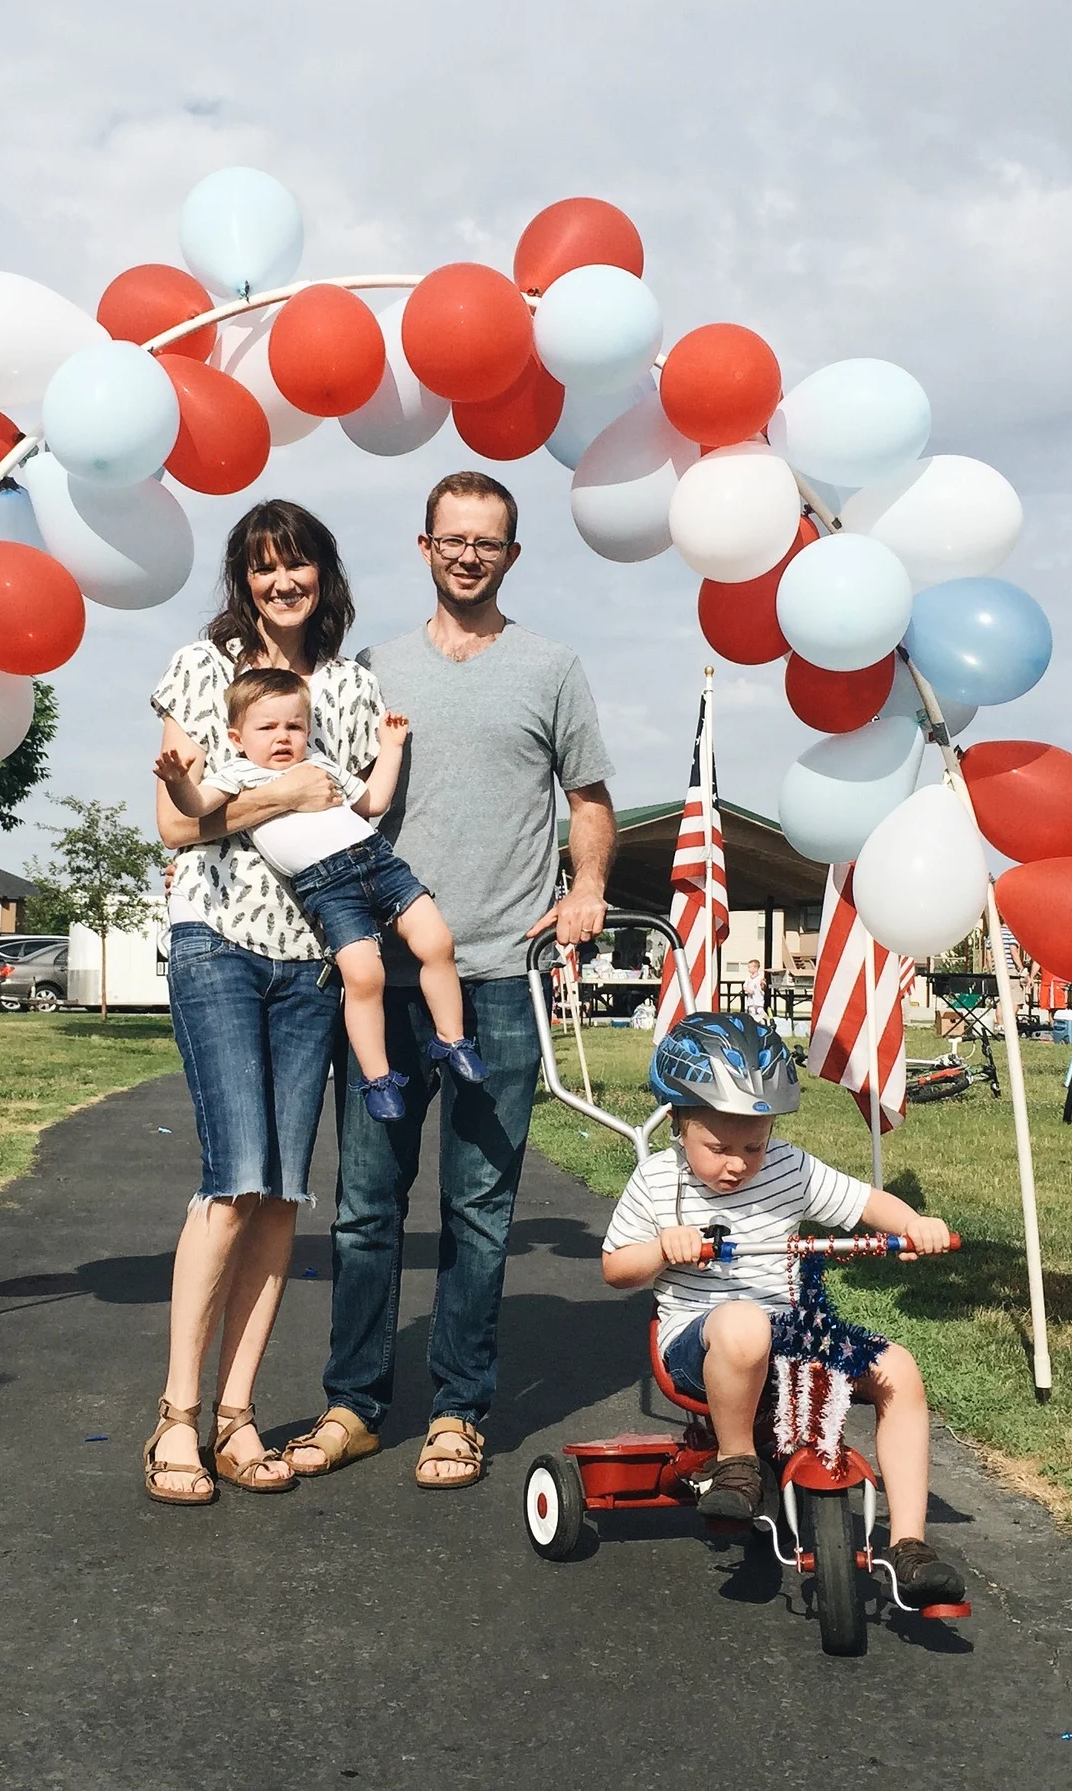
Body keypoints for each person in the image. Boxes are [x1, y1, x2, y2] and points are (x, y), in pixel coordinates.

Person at [287, 470, 615, 1491]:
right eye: (453, 539)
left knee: (479, 1208)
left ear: (510, 555)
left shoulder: (551, 669)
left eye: (488, 541)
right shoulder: (369, 670)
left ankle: (458, 1411)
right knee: (364, 1207)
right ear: (424, 547)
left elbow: (589, 798)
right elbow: (314, 790)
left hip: (500, 976)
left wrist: (587, 887)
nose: (469, 555)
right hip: (381, 979)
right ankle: (354, 1404)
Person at [144, 501, 384, 1507]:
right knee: (233, 1175)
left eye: (298, 565)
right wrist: (284, 795)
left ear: (325, 574)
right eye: (262, 567)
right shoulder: (200, 669)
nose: (282, 583)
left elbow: (362, 815)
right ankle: (176, 1418)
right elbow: (175, 826)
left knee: (283, 1192)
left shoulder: (355, 687)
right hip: (220, 944)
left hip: (312, 961)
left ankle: (237, 1416)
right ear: (242, 579)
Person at [600, 1012, 965, 1605]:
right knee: (744, 1324)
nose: (738, 1163)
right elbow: (615, 1268)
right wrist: (663, 1249)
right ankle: (737, 1463)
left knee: (898, 1368)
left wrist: (914, 1224)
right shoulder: (657, 1180)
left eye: (754, 1144)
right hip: (700, 1345)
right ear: (679, 1125)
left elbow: (866, 1203)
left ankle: (908, 1545)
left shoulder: (788, 1168)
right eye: (719, 1148)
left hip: (791, 1335)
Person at [158, 672, 481, 1120]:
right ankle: (378, 1078)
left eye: (294, 726)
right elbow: (195, 808)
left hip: (378, 861)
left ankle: (452, 1039)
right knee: (364, 976)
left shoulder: (319, 764)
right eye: (267, 727)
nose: (282, 736)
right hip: (328, 887)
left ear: (307, 730)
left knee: (437, 942)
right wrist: (179, 782)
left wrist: (391, 747)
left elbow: (373, 803)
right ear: (236, 738)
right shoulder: (239, 775)